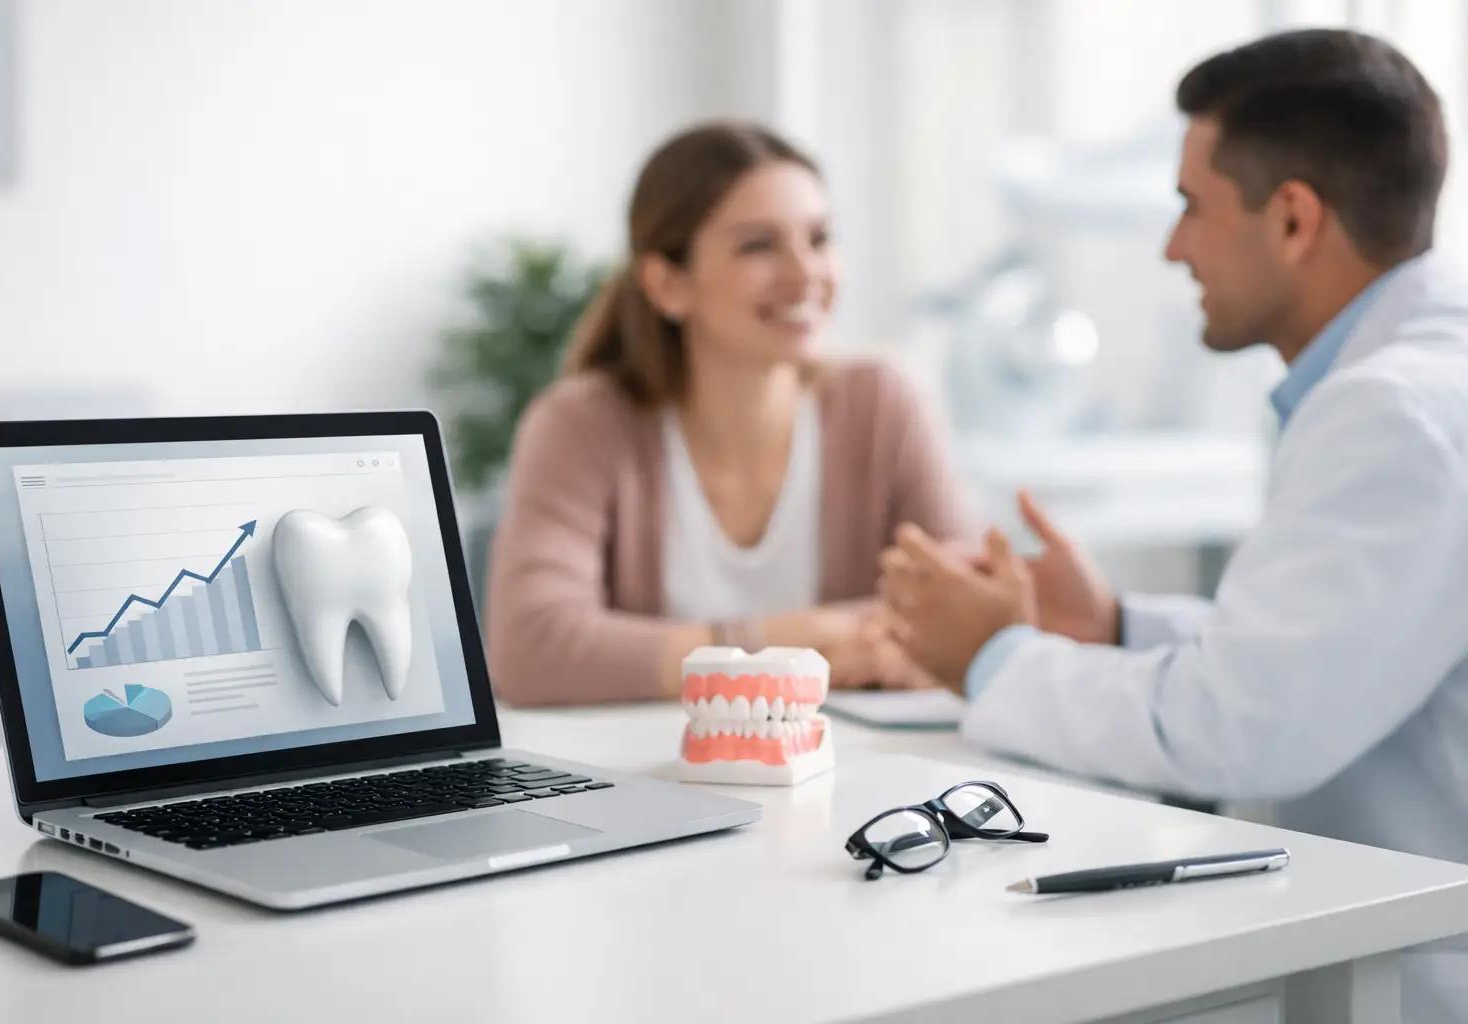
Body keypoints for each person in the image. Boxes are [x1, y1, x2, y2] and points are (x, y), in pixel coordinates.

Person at [879, 29, 1468, 1021]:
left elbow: (1238, 728)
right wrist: (1117, 624)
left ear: (1292, 220)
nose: (1171, 246)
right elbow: (1331, 659)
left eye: (1192, 206)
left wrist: (993, 655)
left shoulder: (1393, 414)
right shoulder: (1419, 378)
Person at [487, 122, 976, 705]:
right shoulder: (580, 426)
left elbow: (963, 611)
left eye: (819, 239)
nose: (805, 276)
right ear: (668, 284)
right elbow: (532, 650)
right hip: (654, 777)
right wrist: (796, 643)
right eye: (758, 246)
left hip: (852, 769)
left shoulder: (883, 403)